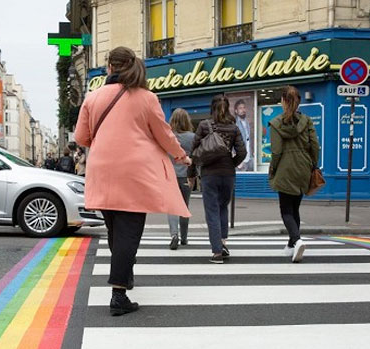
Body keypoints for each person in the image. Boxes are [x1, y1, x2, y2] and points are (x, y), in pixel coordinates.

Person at [75, 46, 192, 316]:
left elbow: (81, 138)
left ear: (109, 68)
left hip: (103, 169)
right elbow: (164, 134)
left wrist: (105, 140)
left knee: (116, 230)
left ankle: (124, 276)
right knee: (129, 232)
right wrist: (181, 156)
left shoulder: (93, 98)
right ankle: (118, 294)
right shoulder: (146, 97)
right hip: (134, 172)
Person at [189, 94, 246, 264]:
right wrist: (231, 164)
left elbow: (193, 151)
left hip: (209, 174)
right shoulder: (234, 128)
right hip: (228, 174)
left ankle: (216, 252)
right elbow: (242, 152)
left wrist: (191, 173)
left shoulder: (204, 125)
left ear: (211, 107)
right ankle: (222, 243)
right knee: (222, 208)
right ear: (227, 107)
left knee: (212, 211)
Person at [268, 85, 319, 263]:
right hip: (304, 167)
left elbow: (276, 152)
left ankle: (297, 240)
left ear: (283, 101)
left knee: (286, 210)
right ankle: (291, 245)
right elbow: (314, 145)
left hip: (285, 168)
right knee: (295, 207)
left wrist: (273, 169)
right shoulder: (307, 121)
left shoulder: (275, 123)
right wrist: (313, 164)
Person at [167, 108, 194, 249]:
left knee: (172, 206)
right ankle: (184, 238)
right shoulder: (192, 137)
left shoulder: (168, 137)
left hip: (170, 176)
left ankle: (174, 235)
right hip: (186, 176)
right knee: (184, 207)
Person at [233, 99, 253, 171]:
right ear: (236, 111)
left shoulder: (247, 123)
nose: (243, 110)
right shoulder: (234, 124)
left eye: (244, 107)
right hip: (240, 161)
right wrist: (238, 162)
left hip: (249, 159)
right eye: (240, 108)